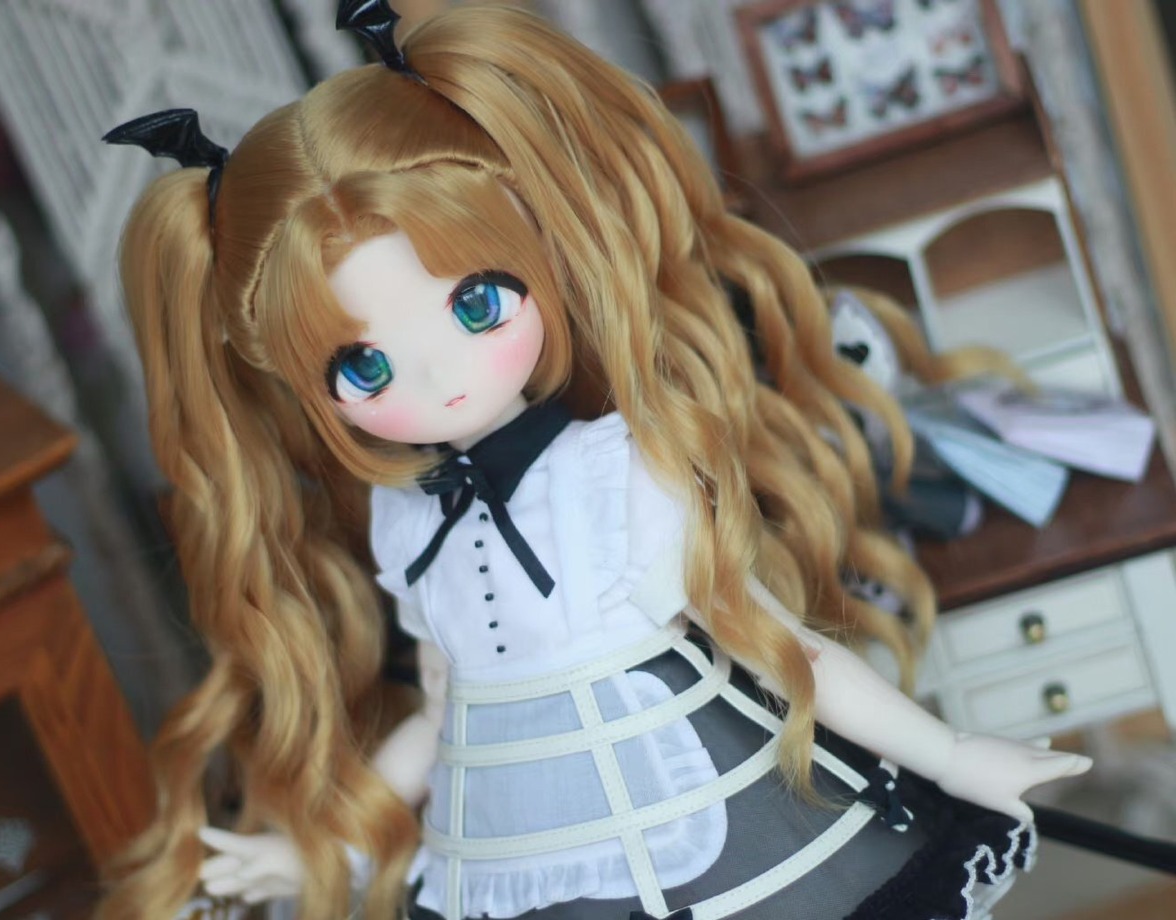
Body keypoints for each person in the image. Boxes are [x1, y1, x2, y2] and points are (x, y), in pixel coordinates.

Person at [98, 6, 1089, 919]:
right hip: (511, 852)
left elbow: (779, 643)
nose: (437, 377)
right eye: (363, 365)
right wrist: (323, 853)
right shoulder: (409, 520)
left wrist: (951, 755)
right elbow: (443, 713)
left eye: (476, 304)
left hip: (701, 816)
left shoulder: (614, 475)